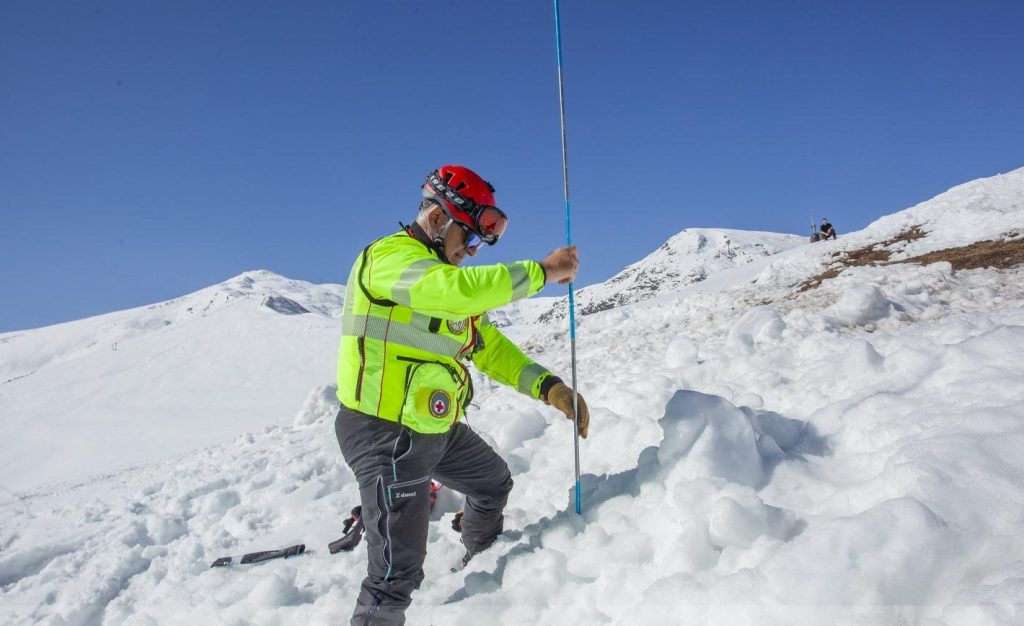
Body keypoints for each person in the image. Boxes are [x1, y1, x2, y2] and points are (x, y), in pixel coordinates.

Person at [333, 164, 590, 625]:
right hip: (383, 432)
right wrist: (542, 271)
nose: (471, 250)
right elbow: (454, 293)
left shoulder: (447, 286)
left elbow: (490, 348)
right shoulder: (390, 259)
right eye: (468, 237)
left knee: (493, 484)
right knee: (396, 572)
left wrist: (549, 387)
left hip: (434, 428)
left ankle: (482, 563)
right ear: (437, 219)